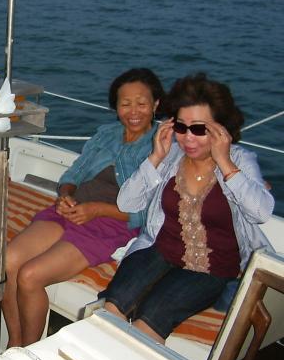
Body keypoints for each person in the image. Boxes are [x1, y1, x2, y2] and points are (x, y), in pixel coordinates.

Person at [101, 73, 275, 343]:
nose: (188, 139)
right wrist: (156, 156)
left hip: (211, 269)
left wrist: (226, 163)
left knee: (149, 320)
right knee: (110, 310)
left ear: (221, 129)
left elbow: (261, 212)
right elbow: (127, 203)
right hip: (160, 252)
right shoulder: (171, 155)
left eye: (199, 129)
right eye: (181, 128)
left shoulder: (240, 159)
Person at [2, 68, 165, 347]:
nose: (133, 111)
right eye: (125, 103)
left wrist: (97, 210)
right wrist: (66, 195)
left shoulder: (163, 145)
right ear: (116, 106)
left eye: (142, 102)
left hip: (110, 223)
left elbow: (151, 211)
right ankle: (14, 347)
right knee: (8, 261)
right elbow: (73, 175)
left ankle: (29, 352)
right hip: (72, 210)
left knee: (30, 276)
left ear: (156, 104)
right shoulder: (107, 134)